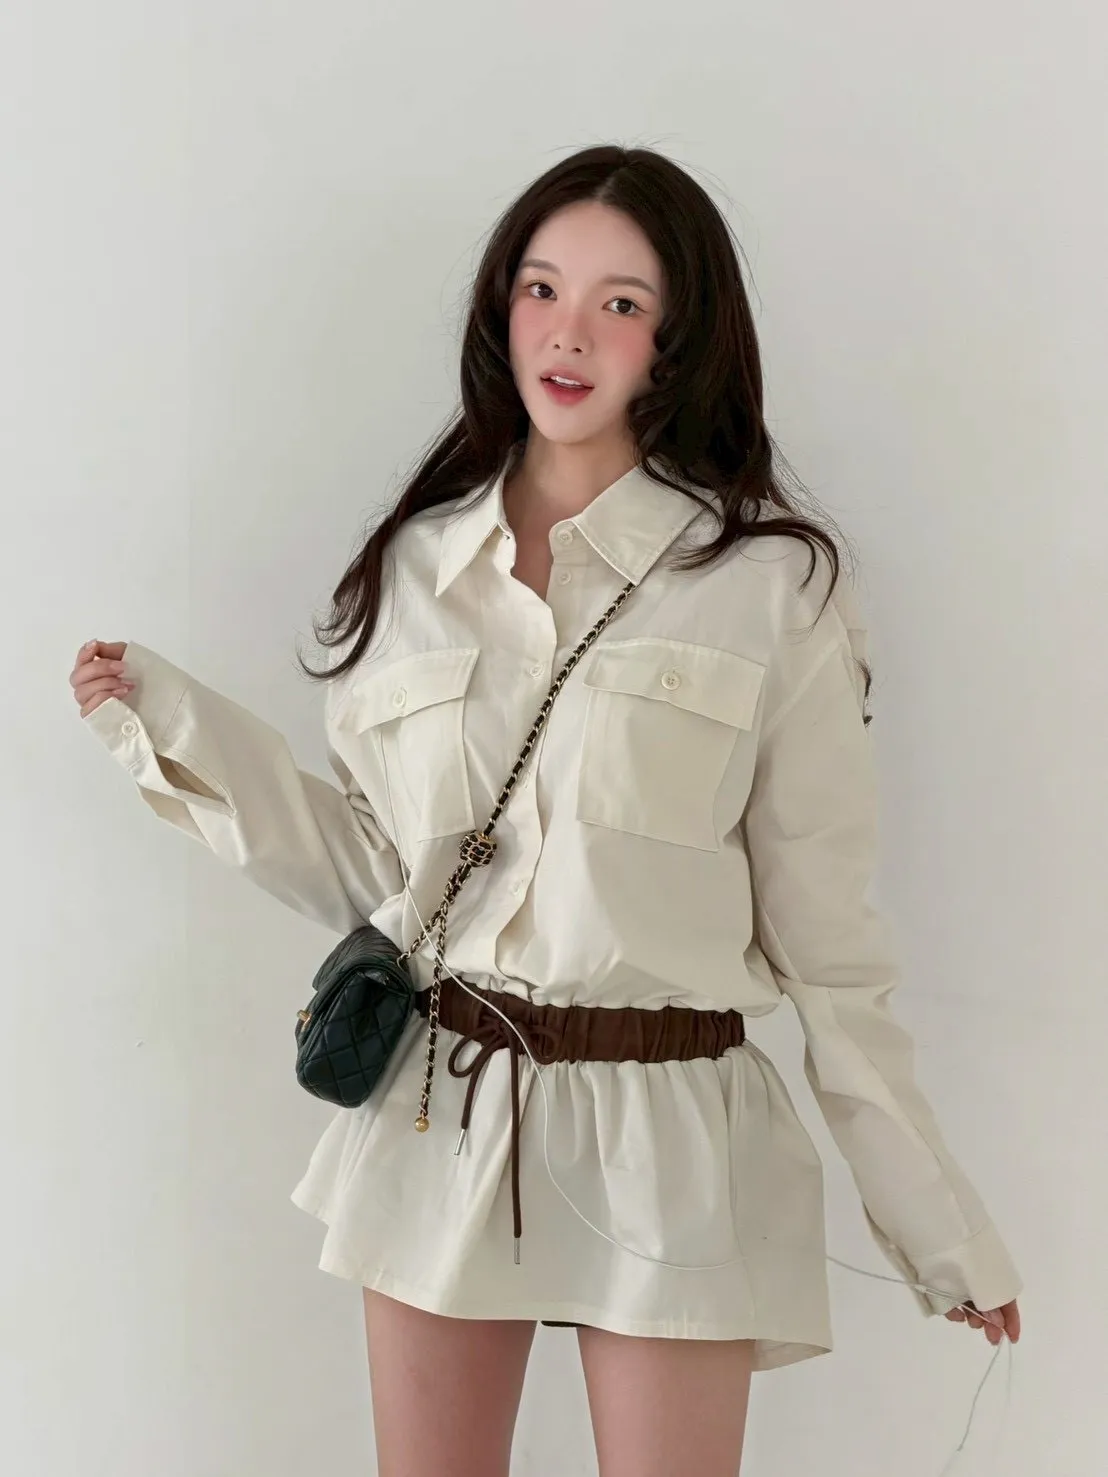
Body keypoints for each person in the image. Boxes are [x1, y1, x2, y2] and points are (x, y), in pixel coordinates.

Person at [70, 144, 1022, 1477]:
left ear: (678, 342)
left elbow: (830, 948)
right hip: (444, 1105)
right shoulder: (416, 567)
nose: (570, 331)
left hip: (674, 1127)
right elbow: (385, 883)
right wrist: (174, 731)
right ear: (500, 310)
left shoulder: (768, 587)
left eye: (622, 303)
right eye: (542, 288)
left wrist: (937, 1229)